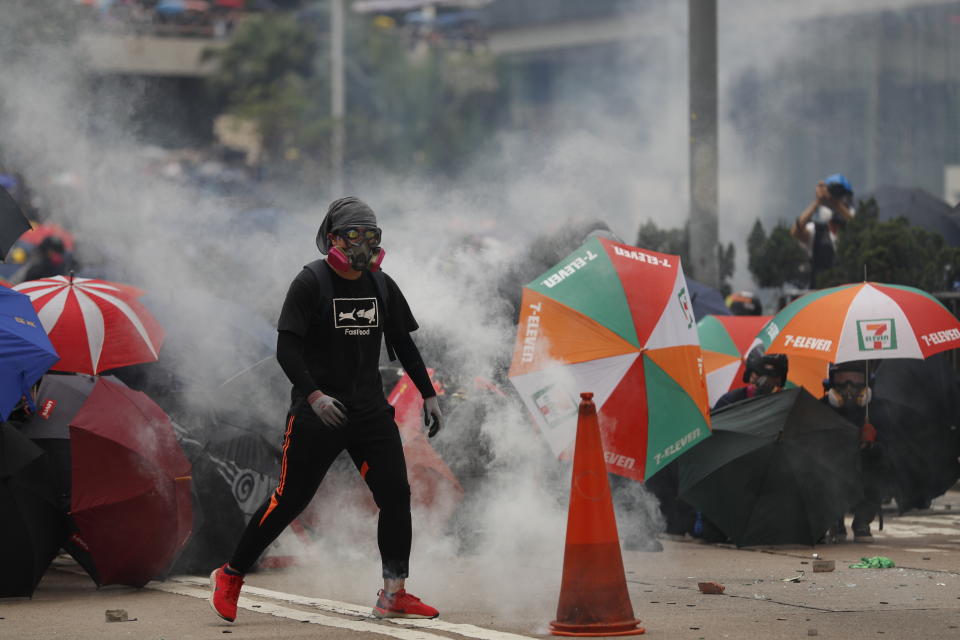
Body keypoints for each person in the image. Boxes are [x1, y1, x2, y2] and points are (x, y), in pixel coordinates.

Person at [209, 196, 444, 623]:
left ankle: (394, 593)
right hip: (318, 413)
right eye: (354, 234)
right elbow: (286, 349)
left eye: (371, 235)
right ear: (332, 238)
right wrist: (315, 396)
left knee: (395, 496)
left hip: (370, 411)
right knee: (289, 500)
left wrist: (427, 392)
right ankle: (230, 575)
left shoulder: (381, 284)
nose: (364, 244)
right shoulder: (310, 282)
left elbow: (404, 343)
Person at [821, 360, 883, 544]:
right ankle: (834, 520)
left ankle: (862, 521)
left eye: (855, 379)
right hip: (833, 468)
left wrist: (873, 444)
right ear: (832, 381)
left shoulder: (876, 410)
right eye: (842, 379)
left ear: (866, 382)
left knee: (879, 470)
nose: (849, 386)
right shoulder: (822, 407)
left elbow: (895, 448)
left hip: (866, 468)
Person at [790, 173, 855, 289]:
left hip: (847, 294)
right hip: (820, 293)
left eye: (842, 198)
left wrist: (836, 204)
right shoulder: (816, 231)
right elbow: (796, 231)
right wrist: (817, 202)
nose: (841, 202)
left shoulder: (853, 234)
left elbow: (858, 225)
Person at [712, 348, 788, 410]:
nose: (766, 380)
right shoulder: (729, 401)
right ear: (750, 374)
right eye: (760, 373)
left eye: (772, 375)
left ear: (780, 379)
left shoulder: (788, 404)